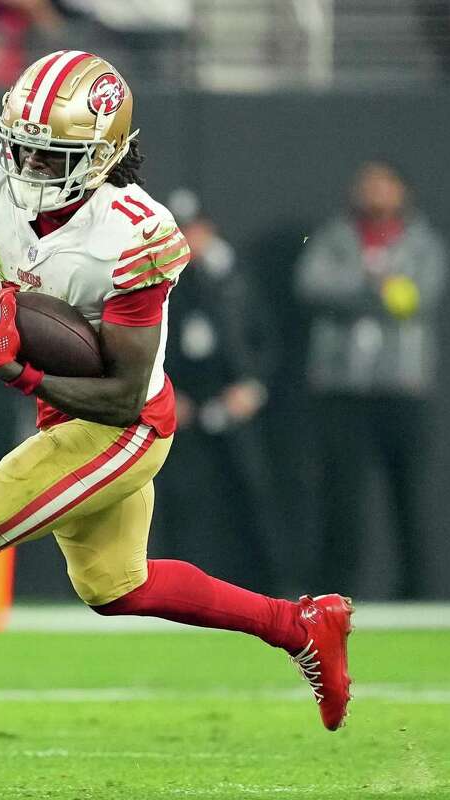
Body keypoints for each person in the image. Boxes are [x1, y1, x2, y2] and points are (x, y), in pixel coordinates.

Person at [0, 50, 354, 781]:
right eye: (19, 142)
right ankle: (301, 626)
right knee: (119, 587)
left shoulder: (133, 234)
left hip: (126, 429)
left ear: (103, 154)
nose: (24, 163)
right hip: (72, 417)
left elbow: (121, 393)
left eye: (48, 152)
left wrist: (22, 373)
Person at [295, 160, 448, 599]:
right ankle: (333, 598)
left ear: (403, 191)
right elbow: (312, 285)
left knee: (411, 498)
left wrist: (368, 291)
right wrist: (374, 282)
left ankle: (419, 596)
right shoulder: (333, 238)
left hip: (403, 389)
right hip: (343, 392)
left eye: (385, 185)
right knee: (342, 501)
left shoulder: (421, 242)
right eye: (368, 185)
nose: (376, 192)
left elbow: (417, 299)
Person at [153, 199, 287, 595]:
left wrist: (251, 388)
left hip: (234, 406)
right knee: (179, 499)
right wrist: (165, 394)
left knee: (250, 493)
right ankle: (171, 585)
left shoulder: (235, 279)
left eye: (194, 230)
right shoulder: (156, 281)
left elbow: (266, 343)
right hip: (181, 407)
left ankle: (265, 585)